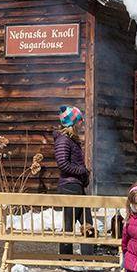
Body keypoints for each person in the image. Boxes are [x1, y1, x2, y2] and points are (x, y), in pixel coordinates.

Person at [54, 105, 90, 255]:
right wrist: (82, 170)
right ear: (73, 122)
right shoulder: (64, 140)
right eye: (80, 120)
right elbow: (62, 163)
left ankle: (89, 258)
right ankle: (65, 257)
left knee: (87, 223)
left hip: (76, 186)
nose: (82, 123)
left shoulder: (71, 140)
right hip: (69, 186)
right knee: (69, 223)